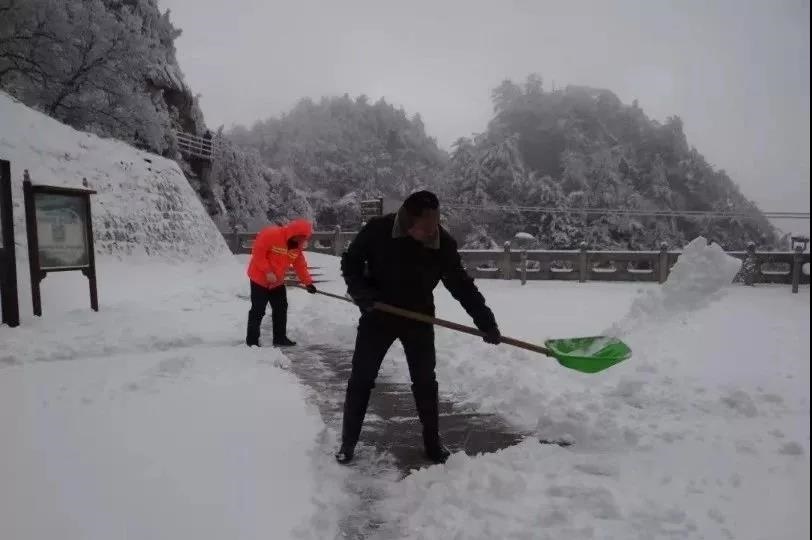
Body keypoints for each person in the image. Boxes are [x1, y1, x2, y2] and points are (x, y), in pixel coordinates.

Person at [336, 191, 501, 465]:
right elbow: (350, 262)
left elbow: (461, 285)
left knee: (425, 380)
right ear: (406, 222)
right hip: (378, 313)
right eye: (424, 228)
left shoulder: (442, 244)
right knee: (361, 378)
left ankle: (432, 443)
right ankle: (348, 443)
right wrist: (360, 291)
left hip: (419, 316)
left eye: (434, 226)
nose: (430, 233)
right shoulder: (378, 230)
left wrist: (486, 322)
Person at [245, 219, 317, 347]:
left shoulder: (296, 246)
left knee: (281, 308)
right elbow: (258, 254)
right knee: (258, 309)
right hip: (259, 279)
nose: (303, 240)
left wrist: (308, 283)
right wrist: (267, 271)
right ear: (295, 233)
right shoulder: (271, 234)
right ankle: (252, 341)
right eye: (302, 237)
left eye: (305, 238)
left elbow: (300, 265)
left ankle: (280, 338)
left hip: (276, 282)